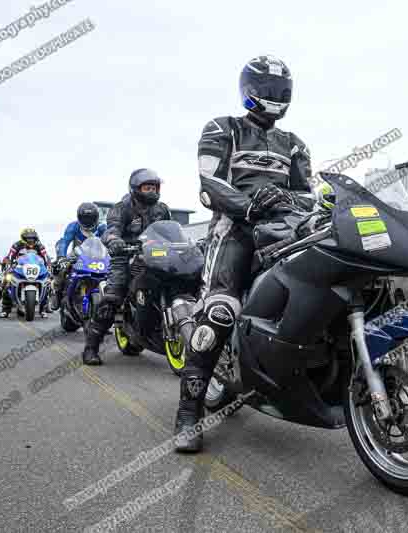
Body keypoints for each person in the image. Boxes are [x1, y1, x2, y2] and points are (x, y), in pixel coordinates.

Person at [173, 55, 315, 453]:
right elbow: (209, 183)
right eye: (268, 91)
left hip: (285, 233)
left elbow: (308, 195)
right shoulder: (223, 128)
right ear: (248, 91)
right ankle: (188, 413)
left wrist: (286, 197)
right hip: (234, 231)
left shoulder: (295, 144)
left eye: (281, 92)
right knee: (220, 311)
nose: (275, 98)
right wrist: (250, 206)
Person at [80, 169, 171, 365]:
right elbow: (111, 230)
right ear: (135, 189)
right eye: (147, 187)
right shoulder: (121, 208)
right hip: (127, 255)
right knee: (113, 296)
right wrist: (114, 240)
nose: (152, 191)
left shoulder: (161, 209)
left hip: (157, 256)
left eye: (154, 187)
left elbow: (170, 230)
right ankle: (91, 347)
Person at [51, 202, 107, 311]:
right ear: (79, 218)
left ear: (96, 217)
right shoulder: (73, 226)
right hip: (76, 257)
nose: (88, 221)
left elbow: (109, 241)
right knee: (58, 269)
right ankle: (57, 294)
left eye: (91, 218)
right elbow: (64, 241)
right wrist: (61, 257)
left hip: (98, 258)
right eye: (85, 218)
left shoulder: (102, 228)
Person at [0, 228, 51, 318]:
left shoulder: (39, 245)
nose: (31, 240)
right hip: (20, 268)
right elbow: (10, 256)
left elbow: (46, 257)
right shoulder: (17, 245)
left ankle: (43, 309)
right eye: (28, 238)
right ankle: (5, 310)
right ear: (23, 238)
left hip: (36, 269)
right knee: (7, 284)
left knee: (48, 285)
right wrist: (8, 264)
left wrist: (49, 266)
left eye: (33, 238)